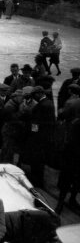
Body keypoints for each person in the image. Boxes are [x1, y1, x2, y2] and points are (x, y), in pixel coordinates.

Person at [55, 84, 80, 214]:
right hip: (72, 152)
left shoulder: (71, 104)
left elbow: (62, 116)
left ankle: (63, 202)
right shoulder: (76, 124)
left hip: (72, 152)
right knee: (70, 177)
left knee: (69, 177)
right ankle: (66, 200)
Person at [28, 86, 56, 188]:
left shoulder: (41, 106)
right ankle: (39, 180)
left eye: (34, 95)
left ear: (39, 93)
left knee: (36, 160)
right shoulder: (49, 102)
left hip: (38, 138)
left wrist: (33, 135)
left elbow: (35, 123)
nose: (34, 97)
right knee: (41, 160)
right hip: (46, 136)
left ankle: (36, 181)